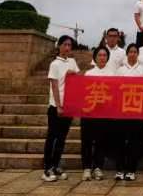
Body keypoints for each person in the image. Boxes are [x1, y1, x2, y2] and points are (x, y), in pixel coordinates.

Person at [43, 35, 80, 182]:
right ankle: (47, 168)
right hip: (56, 107)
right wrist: (58, 105)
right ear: (59, 46)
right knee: (52, 137)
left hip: (69, 106)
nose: (67, 47)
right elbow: (54, 86)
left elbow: (78, 79)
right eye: (65, 44)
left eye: (69, 45)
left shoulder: (72, 61)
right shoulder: (55, 64)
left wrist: (73, 74)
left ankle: (56, 165)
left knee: (62, 138)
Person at [115, 43, 143, 181]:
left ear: (138, 54)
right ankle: (119, 169)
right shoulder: (120, 70)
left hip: (138, 111)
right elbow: (115, 89)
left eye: (135, 52)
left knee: (135, 141)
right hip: (122, 111)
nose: (132, 54)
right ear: (127, 54)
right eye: (130, 52)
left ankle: (131, 170)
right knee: (120, 141)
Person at [81, 47, 111, 181]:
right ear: (95, 57)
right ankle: (87, 167)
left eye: (105, 55)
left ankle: (98, 167)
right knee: (87, 141)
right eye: (100, 55)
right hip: (89, 112)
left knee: (101, 141)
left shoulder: (112, 74)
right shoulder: (88, 73)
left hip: (104, 112)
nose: (102, 57)